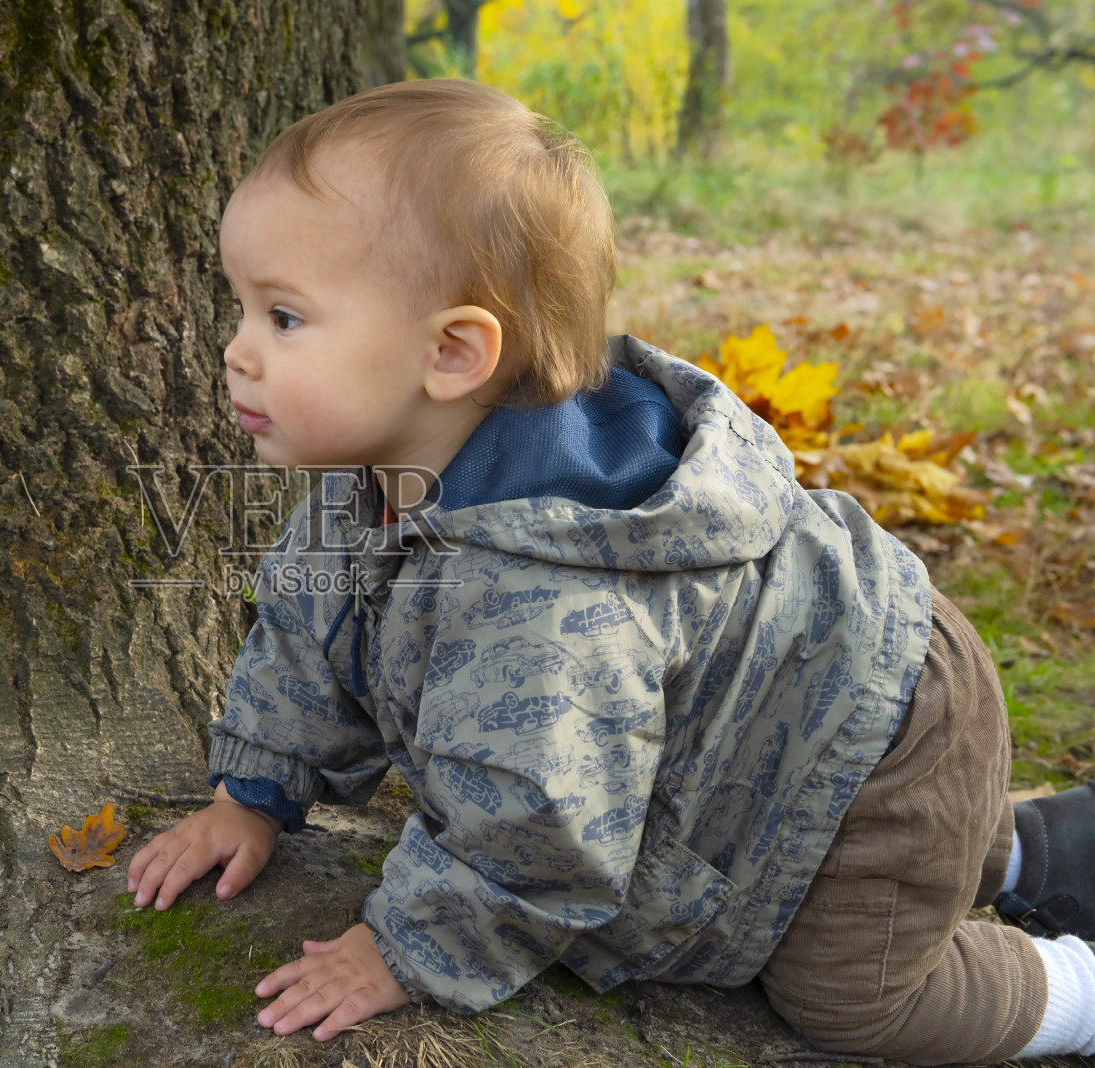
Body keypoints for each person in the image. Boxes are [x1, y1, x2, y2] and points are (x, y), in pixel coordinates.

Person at [125, 78, 1095, 1063]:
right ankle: (1040, 852)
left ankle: (1076, 991)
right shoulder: (377, 475)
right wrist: (254, 790)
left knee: (854, 997)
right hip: (788, 732)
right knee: (895, 864)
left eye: (283, 319)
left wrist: (404, 947)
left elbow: (540, 831)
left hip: (872, 739)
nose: (236, 352)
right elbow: (308, 637)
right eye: (242, 308)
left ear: (454, 352)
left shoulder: (547, 608)